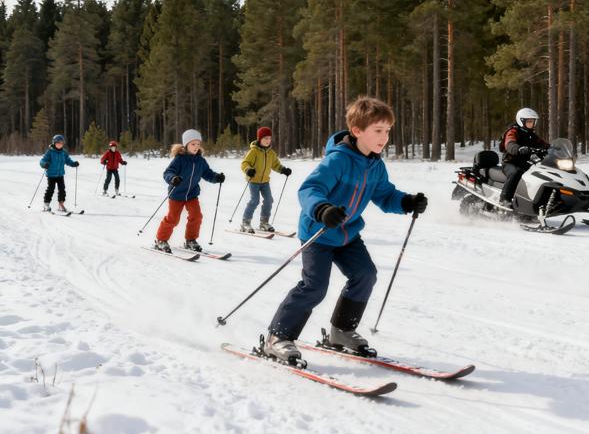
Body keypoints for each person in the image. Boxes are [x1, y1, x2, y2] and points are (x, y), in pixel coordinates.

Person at [263, 97, 428, 362]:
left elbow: (385, 195)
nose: (385, 137)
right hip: (319, 232)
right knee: (315, 286)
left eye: (387, 130)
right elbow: (310, 189)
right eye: (378, 130)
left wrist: (406, 202)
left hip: (347, 234)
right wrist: (322, 209)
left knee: (365, 274)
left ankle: (341, 331)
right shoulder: (338, 160)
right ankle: (277, 337)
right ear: (357, 131)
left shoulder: (375, 165)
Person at [154, 129, 225, 253]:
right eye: (193, 144)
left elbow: (207, 173)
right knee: (173, 219)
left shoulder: (200, 161)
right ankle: (161, 240)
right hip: (176, 194)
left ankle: (190, 240)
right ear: (186, 145)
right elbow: (168, 172)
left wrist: (216, 177)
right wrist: (173, 178)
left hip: (192, 194)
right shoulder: (179, 159)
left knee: (196, 216)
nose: (196, 146)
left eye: (198, 144)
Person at [239, 127, 293, 233]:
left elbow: (276, 165)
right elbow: (244, 163)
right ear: (260, 139)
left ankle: (264, 222)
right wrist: (248, 170)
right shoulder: (253, 151)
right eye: (265, 138)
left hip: (265, 181)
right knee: (255, 201)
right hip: (254, 180)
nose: (268, 140)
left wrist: (283, 170)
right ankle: (245, 222)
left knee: (269, 200)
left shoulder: (271, 153)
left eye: (269, 138)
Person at [499, 107, 549, 206]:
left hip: (524, 163)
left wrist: (555, 148)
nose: (532, 124)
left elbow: (543, 144)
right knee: (515, 173)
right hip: (510, 162)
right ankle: (504, 201)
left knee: (539, 173)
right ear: (521, 121)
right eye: (529, 121)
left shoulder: (531, 135)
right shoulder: (513, 132)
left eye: (533, 121)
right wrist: (518, 149)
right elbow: (509, 144)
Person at [39, 134, 79, 213]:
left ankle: (61, 204)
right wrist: (44, 164)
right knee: (51, 189)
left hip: (60, 175)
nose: (60, 145)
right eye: (58, 143)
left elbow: (68, 160)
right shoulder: (50, 152)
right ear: (54, 143)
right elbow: (42, 160)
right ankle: (46, 204)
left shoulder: (63, 152)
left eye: (61, 143)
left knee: (62, 189)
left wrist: (73, 164)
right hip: (51, 175)